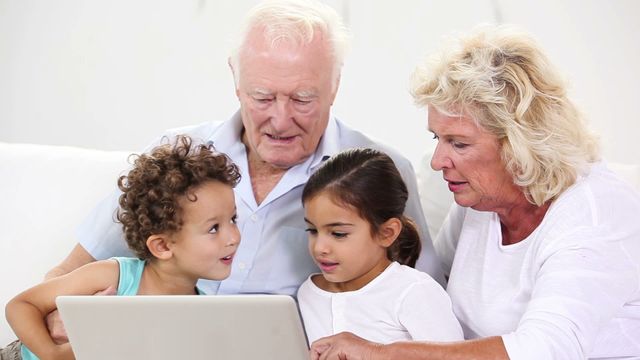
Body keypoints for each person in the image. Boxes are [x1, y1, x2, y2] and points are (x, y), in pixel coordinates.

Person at [42, 0, 445, 344]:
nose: (281, 120)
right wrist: (64, 318)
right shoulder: (179, 155)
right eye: (263, 96)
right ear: (236, 80)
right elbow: (65, 274)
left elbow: (420, 301)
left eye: (303, 99)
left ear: (335, 86)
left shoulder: (377, 169)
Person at [309, 25, 640, 360]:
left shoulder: (596, 212)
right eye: (437, 138)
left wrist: (380, 352)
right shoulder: (480, 203)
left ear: (520, 144)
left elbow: (545, 349)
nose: (438, 162)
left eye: (459, 143)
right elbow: (429, 293)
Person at [1, 135, 241, 360]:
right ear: (162, 246)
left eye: (233, 219)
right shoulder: (114, 277)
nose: (234, 237)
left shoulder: (205, 314)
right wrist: (55, 355)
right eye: (213, 228)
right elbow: (20, 306)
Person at [297, 148, 463, 345]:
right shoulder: (308, 294)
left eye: (338, 234)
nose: (320, 248)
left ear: (387, 233)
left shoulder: (415, 293)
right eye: (312, 231)